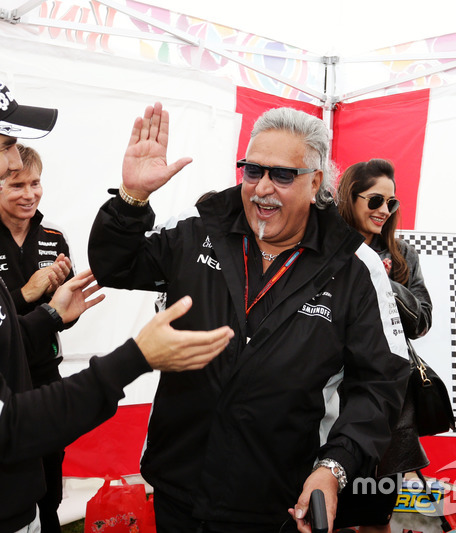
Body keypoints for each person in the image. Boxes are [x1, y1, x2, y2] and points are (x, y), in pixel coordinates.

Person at [0, 63, 234, 533]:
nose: (16, 163)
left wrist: (51, 316)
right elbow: (0, 426)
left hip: (6, 509)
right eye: (5, 145)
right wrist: (136, 358)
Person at [88, 104, 411, 533]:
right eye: (253, 171)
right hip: (179, 487)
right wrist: (131, 200)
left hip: (278, 502)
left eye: (283, 176)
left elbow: (380, 384)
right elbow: (115, 265)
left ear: (316, 183)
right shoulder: (199, 228)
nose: (263, 188)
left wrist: (335, 466)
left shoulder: (355, 266)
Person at [0, 143, 74, 532]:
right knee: (4, 468)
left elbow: (65, 316)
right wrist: (27, 293)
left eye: (35, 183)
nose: (29, 194)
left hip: (45, 372)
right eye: (18, 185)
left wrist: (65, 302)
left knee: (50, 470)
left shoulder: (54, 237)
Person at [333, 159, 433, 533]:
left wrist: (378, 275)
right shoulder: (326, 250)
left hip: (385, 410)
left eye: (391, 203)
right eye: (375, 200)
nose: (384, 210)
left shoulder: (401, 255)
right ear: (350, 197)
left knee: (375, 518)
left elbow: (421, 321)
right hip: (330, 403)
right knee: (327, 514)